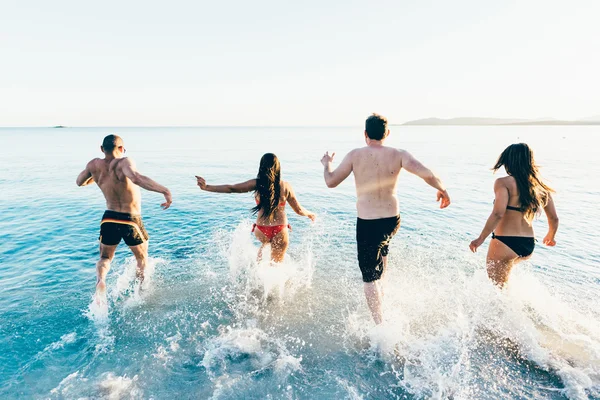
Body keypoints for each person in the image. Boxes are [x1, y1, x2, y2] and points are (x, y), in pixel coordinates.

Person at [321, 113, 451, 325]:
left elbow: (331, 182)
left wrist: (326, 164)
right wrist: (443, 189)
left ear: (365, 134)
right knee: (382, 251)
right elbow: (426, 173)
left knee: (369, 276)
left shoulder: (355, 155)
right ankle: (384, 295)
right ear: (387, 133)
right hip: (392, 220)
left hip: (368, 222)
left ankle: (381, 325)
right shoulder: (399, 154)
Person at [76, 134, 172, 301]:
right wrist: (165, 191)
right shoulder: (124, 162)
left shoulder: (93, 165)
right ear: (121, 149)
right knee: (142, 258)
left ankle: (101, 280)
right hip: (130, 218)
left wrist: (97, 175)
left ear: (101, 149)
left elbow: (80, 182)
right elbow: (136, 178)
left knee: (105, 258)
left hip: (109, 218)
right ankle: (141, 293)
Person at [196, 153, 315, 263]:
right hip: (280, 229)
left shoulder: (256, 184)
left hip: (261, 229)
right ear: (278, 167)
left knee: (264, 248)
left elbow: (231, 188)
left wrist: (206, 187)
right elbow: (298, 210)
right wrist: (310, 214)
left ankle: (257, 278)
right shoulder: (285, 186)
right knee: (277, 265)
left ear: (261, 166)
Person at [469, 143, 559, 287]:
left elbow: (498, 213)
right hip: (528, 245)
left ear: (509, 161)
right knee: (505, 285)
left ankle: (506, 310)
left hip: (505, 242)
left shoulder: (503, 183)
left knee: (497, 289)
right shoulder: (540, 186)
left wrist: (480, 239)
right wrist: (551, 236)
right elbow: (554, 218)